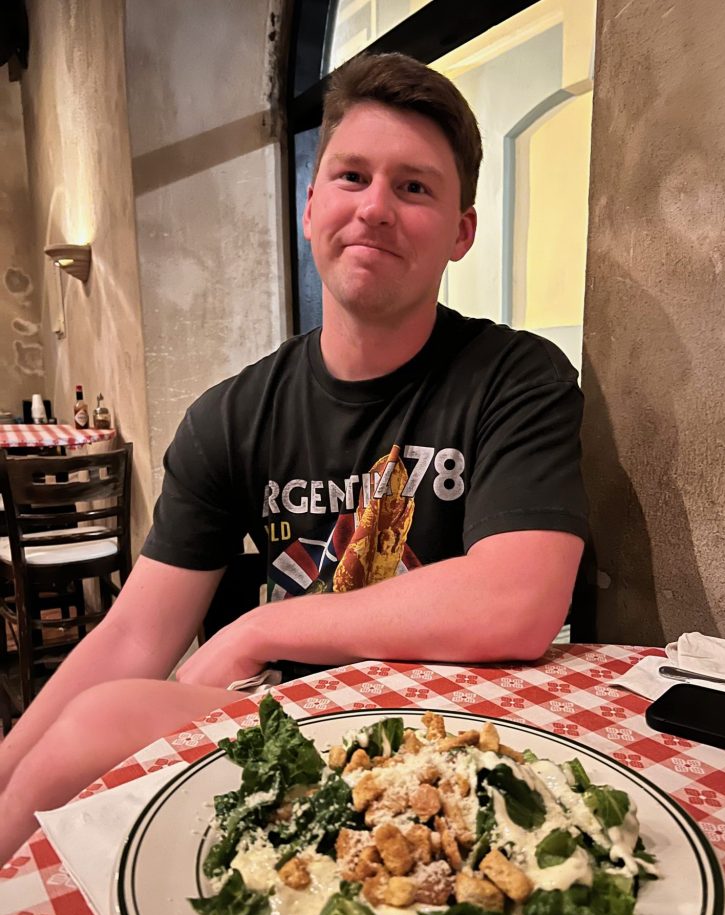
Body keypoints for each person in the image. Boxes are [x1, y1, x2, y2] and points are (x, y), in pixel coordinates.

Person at [0, 52, 587, 863]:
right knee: (74, 737)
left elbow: (520, 599)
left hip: (458, 732)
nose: (375, 208)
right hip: (290, 731)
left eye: (414, 187)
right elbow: (134, 636)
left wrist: (258, 627)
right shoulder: (231, 417)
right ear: (312, 201)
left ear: (461, 233)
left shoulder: (517, 377)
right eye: (351, 176)